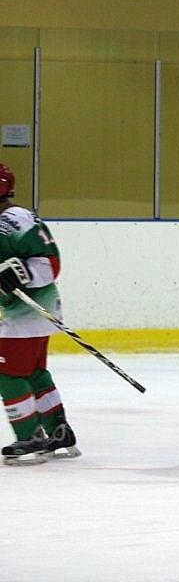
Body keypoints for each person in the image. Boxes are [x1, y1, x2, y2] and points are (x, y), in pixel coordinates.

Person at [0, 163, 79, 465]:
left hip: (28, 312)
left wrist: (20, 275)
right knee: (33, 373)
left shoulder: (12, 220)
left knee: (8, 375)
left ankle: (29, 435)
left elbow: (50, 263)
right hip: (26, 312)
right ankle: (59, 431)